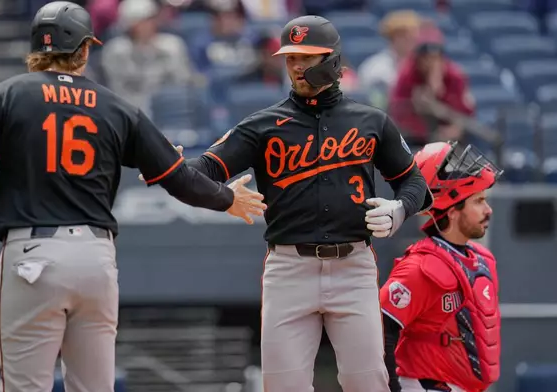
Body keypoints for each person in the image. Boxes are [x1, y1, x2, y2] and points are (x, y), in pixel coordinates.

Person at [0, 2, 267, 392]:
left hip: (32, 256)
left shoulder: (4, 96)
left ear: (36, 48)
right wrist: (225, 198)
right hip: (96, 261)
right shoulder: (117, 106)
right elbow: (178, 178)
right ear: (85, 48)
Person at [144, 15, 432, 392]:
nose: (296, 65)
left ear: (331, 59)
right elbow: (206, 169)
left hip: (354, 267)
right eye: (290, 57)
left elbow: (415, 183)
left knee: (369, 384)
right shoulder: (263, 124)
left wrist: (400, 210)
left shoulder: (371, 121)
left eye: (306, 56)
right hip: (289, 269)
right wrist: (172, 166)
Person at [380, 141, 503, 392]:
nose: (488, 210)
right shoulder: (420, 266)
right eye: (478, 202)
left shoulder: (482, 259)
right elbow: (380, 330)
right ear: (453, 210)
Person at [389, 36, 475, 147]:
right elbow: (398, 109)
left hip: (450, 136)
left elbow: (465, 110)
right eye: (426, 59)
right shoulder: (408, 74)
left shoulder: (454, 75)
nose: (431, 64)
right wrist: (427, 132)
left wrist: (440, 92)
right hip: (416, 137)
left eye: (435, 58)